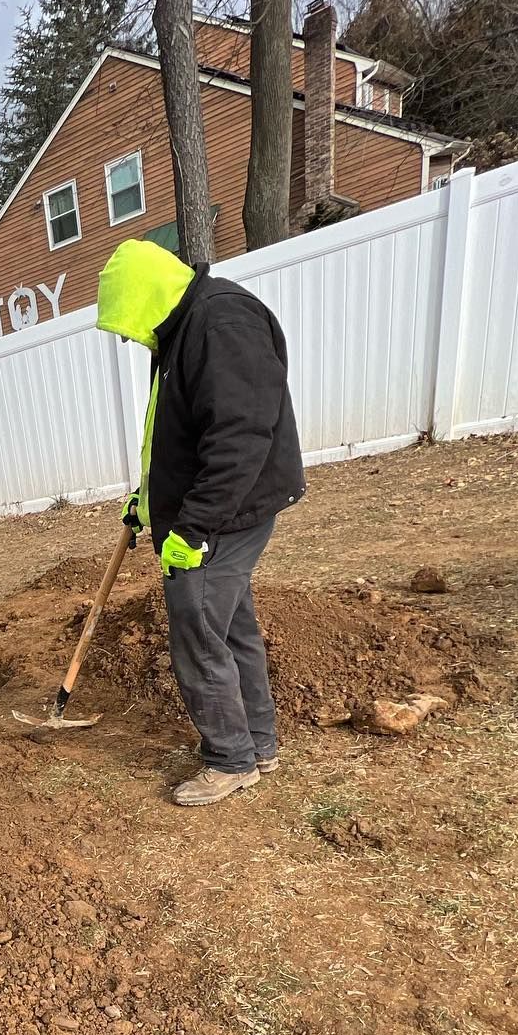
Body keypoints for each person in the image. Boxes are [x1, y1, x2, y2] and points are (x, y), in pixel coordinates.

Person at [95, 239, 305, 806]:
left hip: (221, 520)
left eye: (123, 321)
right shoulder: (189, 328)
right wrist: (148, 501)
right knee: (230, 628)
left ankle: (231, 759)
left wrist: (191, 531)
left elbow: (239, 438)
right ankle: (257, 745)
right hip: (212, 514)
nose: (123, 336)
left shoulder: (219, 323)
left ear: (144, 296)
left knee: (198, 632)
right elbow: (179, 435)